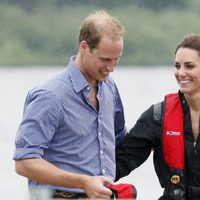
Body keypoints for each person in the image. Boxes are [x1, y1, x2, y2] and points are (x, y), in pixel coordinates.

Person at [13, 10, 126, 199]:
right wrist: (84, 182)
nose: (111, 67)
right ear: (84, 47)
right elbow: (24, 162)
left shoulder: (109, 86)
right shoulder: (49, 96)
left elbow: (118, 136)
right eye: (105, 59)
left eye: (117, 60)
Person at [116, 33, 200, 200]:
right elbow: (120, 162)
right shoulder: (157, 116)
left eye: (189, 66)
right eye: (177, 66)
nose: (181, 73)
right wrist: (81, 183)